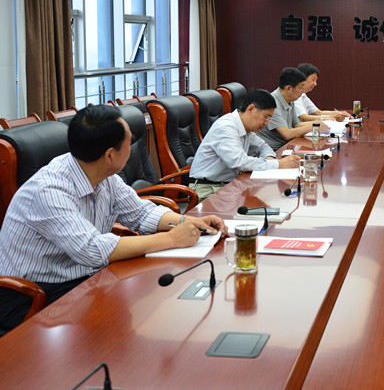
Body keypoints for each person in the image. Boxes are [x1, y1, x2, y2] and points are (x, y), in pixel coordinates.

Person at [0, 105, 227, 335]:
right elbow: (91, 249)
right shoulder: (49, 190)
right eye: (129, 143)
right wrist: (171, 239)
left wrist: (186, 223)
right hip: (33, 295)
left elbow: (141, 213)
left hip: (85, 277)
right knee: (127, 327)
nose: (132, 147)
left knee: (157, 303)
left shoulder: (102, 174)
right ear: (109, 155)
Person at [189, 89, 301, 200]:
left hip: (230, 185)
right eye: (266, 117)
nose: (267, 123)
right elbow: (239, 161)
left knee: (270, 199)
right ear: (251, 109)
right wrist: (278, 164)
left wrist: (270, 159)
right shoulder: (226, 128)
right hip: (208, 189)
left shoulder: (246, 128)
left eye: (270, 118)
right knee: (263, 204)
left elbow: (263, 146)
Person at [257, 67, 329, 150]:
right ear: (288, 88)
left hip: (286, 145)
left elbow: (296, 125)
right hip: (273, 149)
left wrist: (318, 123)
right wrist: (313, 126)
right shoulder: (273, 102)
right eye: (300, 88)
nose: (302, 92)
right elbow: (287, 134)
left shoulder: (290, 100)